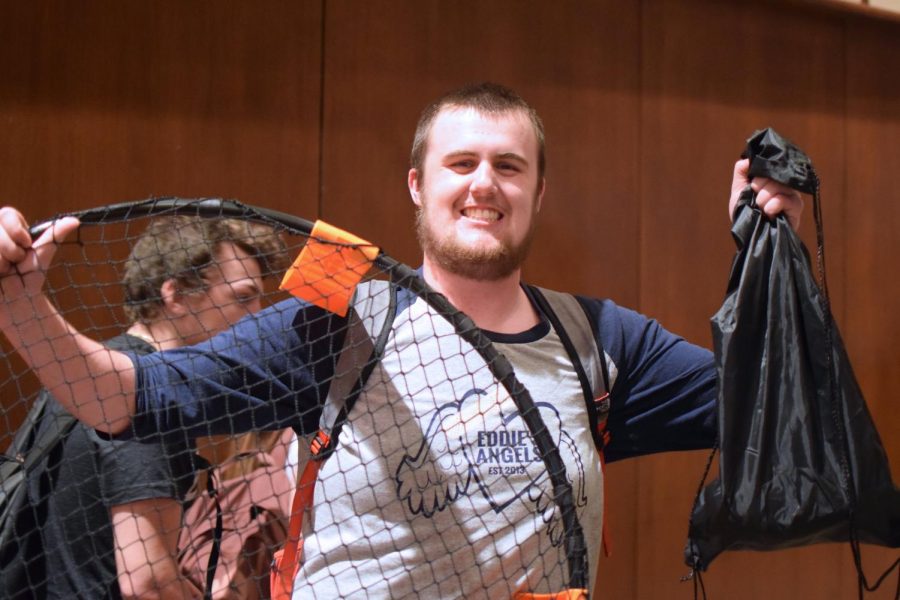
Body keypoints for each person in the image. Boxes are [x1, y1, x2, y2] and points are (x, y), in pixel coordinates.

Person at [0, 82, 804, 597]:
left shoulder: (600, 339)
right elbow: (129, 398)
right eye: (461, 163)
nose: (484, 184)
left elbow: (776, 404)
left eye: (509, 167)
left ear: (538, 192)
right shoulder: (338, 315)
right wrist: (22, 309)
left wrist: (770, 254)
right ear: (419, 186)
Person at [2, 215, 288, 599]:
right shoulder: (151, 401)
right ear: (177, 295)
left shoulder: (86, 375)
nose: (258, 316)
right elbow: (146, 584)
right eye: (241, 297)